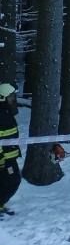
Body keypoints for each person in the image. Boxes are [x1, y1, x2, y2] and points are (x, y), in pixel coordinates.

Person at [0, 83, 20, 216]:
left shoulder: (6, 111)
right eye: (10, 96)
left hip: (10, 156)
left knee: (6, 182)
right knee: (13, 181)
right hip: (4, 158)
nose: (13, 99)